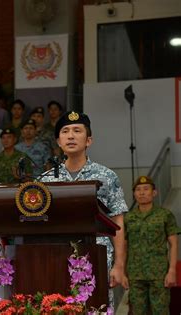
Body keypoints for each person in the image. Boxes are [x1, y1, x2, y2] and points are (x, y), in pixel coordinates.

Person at [41, 111, 128, 306]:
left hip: (97, 257)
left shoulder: (107, 176)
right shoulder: (46, 180)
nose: (71, 136)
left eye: (77, 131)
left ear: (88, 141)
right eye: (65, 131)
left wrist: (119, 265)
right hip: (57, 258)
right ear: (58, 141)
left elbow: (118, 223)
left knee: (97, 308)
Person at [123, 176, 178, 314]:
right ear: (134, 194)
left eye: (146, 189)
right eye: (138, 189)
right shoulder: (128, 218)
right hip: (135, 274)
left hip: (159, 273)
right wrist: (122, 272)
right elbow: (123, 247)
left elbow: (174, 244)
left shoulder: (165, 215)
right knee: (137, 311)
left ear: (154, 192)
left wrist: (172, 271)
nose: (142, 192)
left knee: (161, 311)